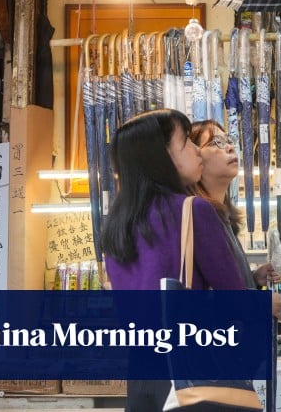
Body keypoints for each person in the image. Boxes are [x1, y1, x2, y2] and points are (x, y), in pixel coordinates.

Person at [100, 110, 266, 412]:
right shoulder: (193, 210)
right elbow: (237, 302)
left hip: (142, 376)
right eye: (185, 143)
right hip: (190, 376)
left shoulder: (116, 225)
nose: (195, 150)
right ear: (161, 157)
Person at [186, 120, 281, 296]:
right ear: (194, 157)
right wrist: (263, 306)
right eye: (216, 143)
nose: (230, 148)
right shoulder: (200, 215)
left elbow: (221, 283)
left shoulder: (222, 216)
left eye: (229, 140)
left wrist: (252, 278)